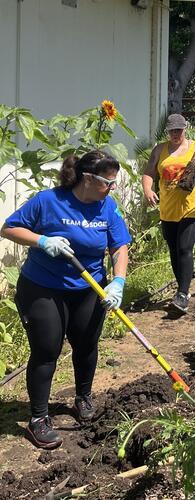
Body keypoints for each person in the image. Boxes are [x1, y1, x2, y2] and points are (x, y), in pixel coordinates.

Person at [0, 150, 131, 449]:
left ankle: (83, 397)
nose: (112, 189)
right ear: (87, 178)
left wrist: (119, 282)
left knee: (86, 344)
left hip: (89, 288)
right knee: (47, 349)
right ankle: (38, 419)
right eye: (107, 183)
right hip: (43, 287)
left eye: (114, 183)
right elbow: (9, 227)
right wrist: (42, 240)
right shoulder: (49, 201)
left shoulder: (107, 207)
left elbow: (119, 246)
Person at [142, 114, 195, 314]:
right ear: (168, 131)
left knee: (184, 247)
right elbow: (149, 172)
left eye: (179, 130)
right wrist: (148, 190)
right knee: (174, 251)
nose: (175, 134)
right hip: (169, 208)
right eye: (172, 131)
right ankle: (181, 289)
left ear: (186, 129)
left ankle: (182, 294)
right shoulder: (160, 150)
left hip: (194, 205)